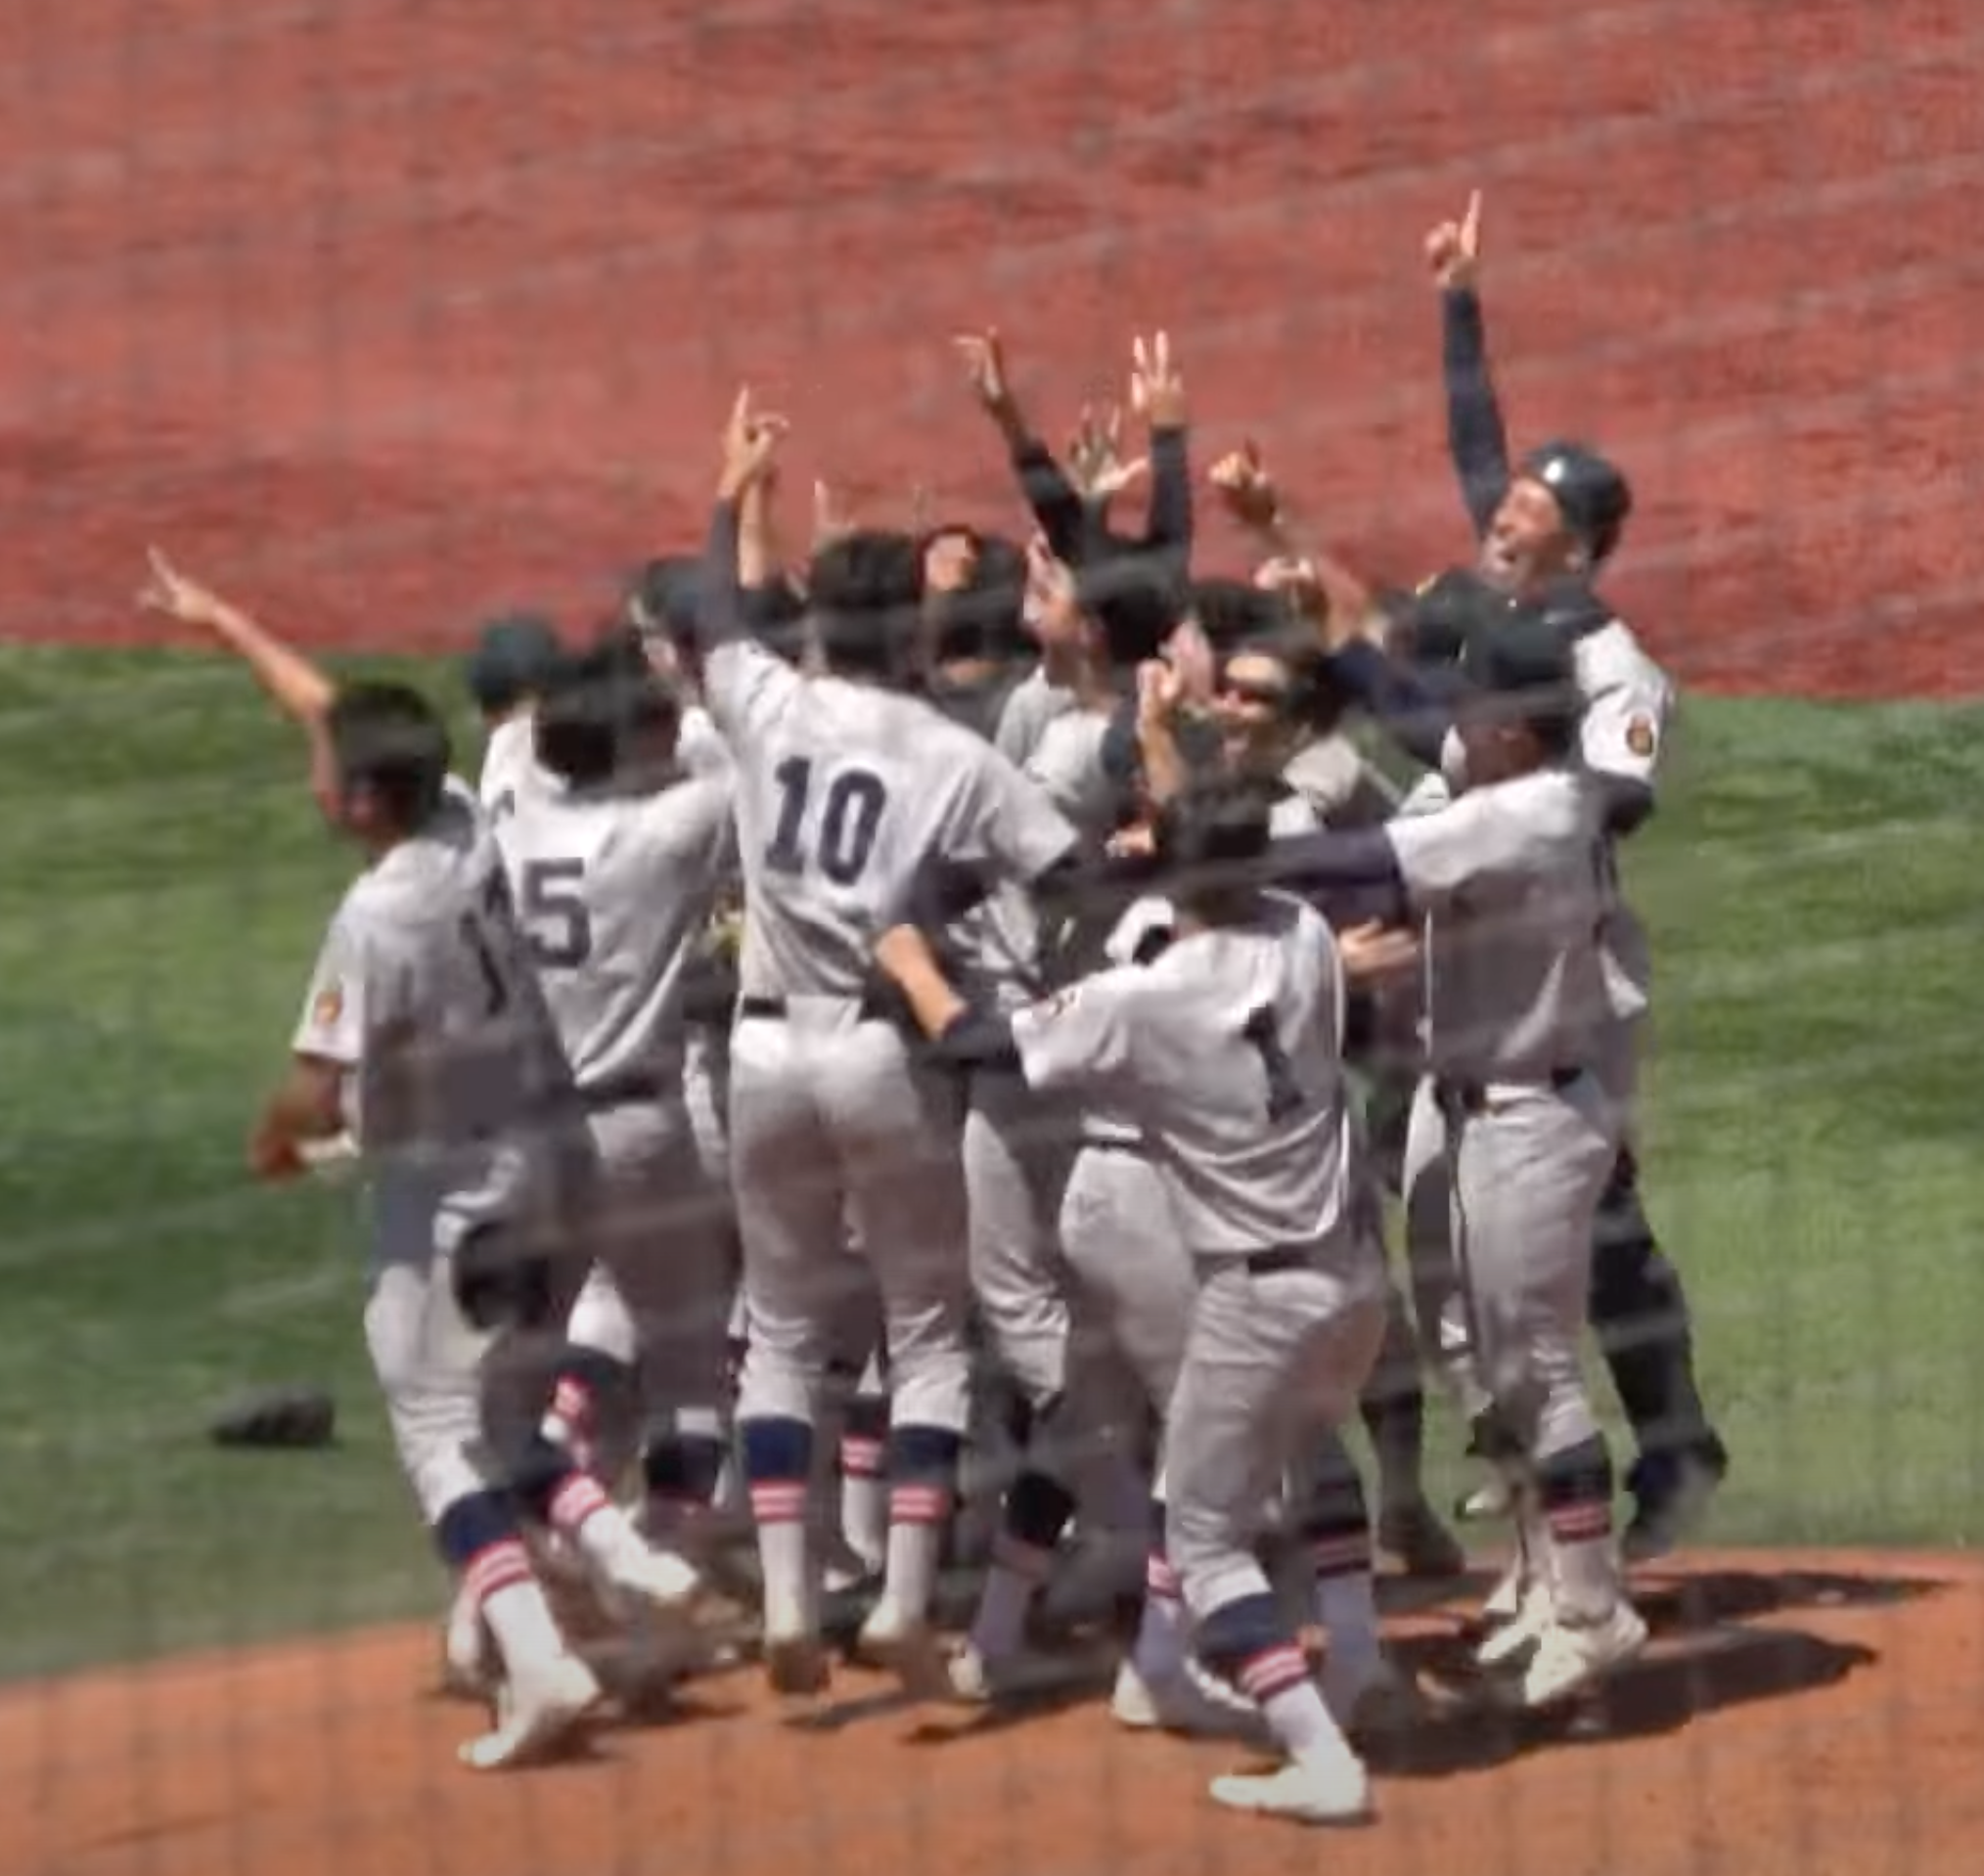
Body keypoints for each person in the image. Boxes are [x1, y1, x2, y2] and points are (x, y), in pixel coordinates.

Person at [874, 773, 1408, 1826]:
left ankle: (1314, 1751)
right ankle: (1299, 1667)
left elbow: (983, 1048)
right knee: (1263, 1462)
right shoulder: (1303, 932)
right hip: (1353, 1278)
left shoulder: (1148, 995)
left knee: (1206, 1531)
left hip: (1253, 1291)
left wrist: (905, 959)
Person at [690, 392, 1082, 1700]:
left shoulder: (763, 702)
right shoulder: (943, 751)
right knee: (923, 1326)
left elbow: (721, 618)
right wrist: (943, 902)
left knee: (787, 1325)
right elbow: (1064, 865)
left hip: (758, 1052)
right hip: (879, 1055)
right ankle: (907, 1604)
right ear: (911, 624)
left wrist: (735, 491)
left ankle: (795, 1600)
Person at [1426, 188, 1728, 1555]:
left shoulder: (1614, 668)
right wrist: (1458, 301)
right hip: (1471, 958)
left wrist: (1494, 810)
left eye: (1533, 508)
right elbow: (1479, 443)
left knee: (1594, 1223)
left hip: (1571, 975)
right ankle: (1519, 1433)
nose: (1500, 510)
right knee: (1450, 1206)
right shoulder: (1514, 605)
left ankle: (1672, 1445)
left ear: (1580, 541)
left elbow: (1618, 804)